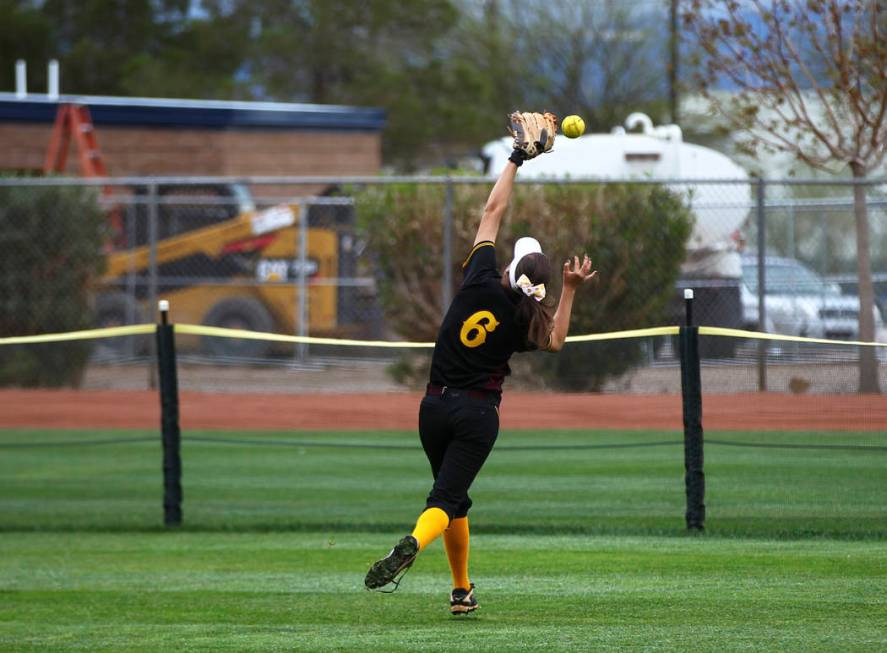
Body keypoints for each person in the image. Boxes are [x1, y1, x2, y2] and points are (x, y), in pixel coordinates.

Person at [364, 111, 597, 615]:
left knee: (454, 498)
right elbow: (556, 341)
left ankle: (461, 590)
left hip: (432, 411)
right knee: (445, 501)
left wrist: (516, 158)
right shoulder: (525, 320)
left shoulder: (480, 279)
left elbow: (493, 210)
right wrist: (571, 292)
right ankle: (412, 544)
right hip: (476, 417)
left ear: (509, 268)